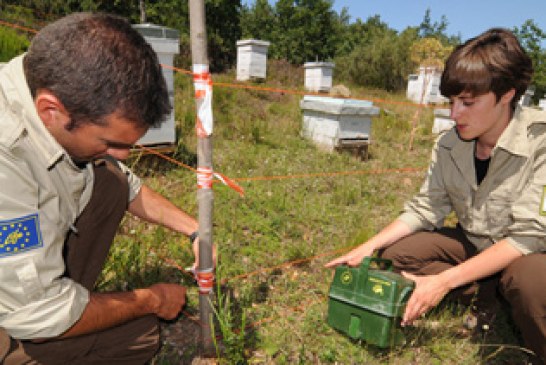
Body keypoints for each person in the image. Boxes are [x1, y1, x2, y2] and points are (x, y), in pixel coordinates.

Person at [326, 28, 546, 365]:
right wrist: (368, 246)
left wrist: (443, 282)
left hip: (529, 255)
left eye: (468, 103)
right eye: (452, 102)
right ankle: (486, 293)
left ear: (506, 95)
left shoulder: (540, 142)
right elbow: (426, 207)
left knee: (532, 284)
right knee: (394, 255)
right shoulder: (450, 143)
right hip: (475, 241)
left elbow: (528, 238)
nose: (455, 113)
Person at [0, 13, 206, 364]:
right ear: (51, 110)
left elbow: (124, 184)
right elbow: (34, 314)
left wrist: (195, 230)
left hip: (18, 285)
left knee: (109, 178)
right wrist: (151, 299)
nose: (124, 156)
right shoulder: (7, 158)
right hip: (20, 312)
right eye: (111, 141)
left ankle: (65, 304)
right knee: (136, 338)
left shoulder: (38, 83)